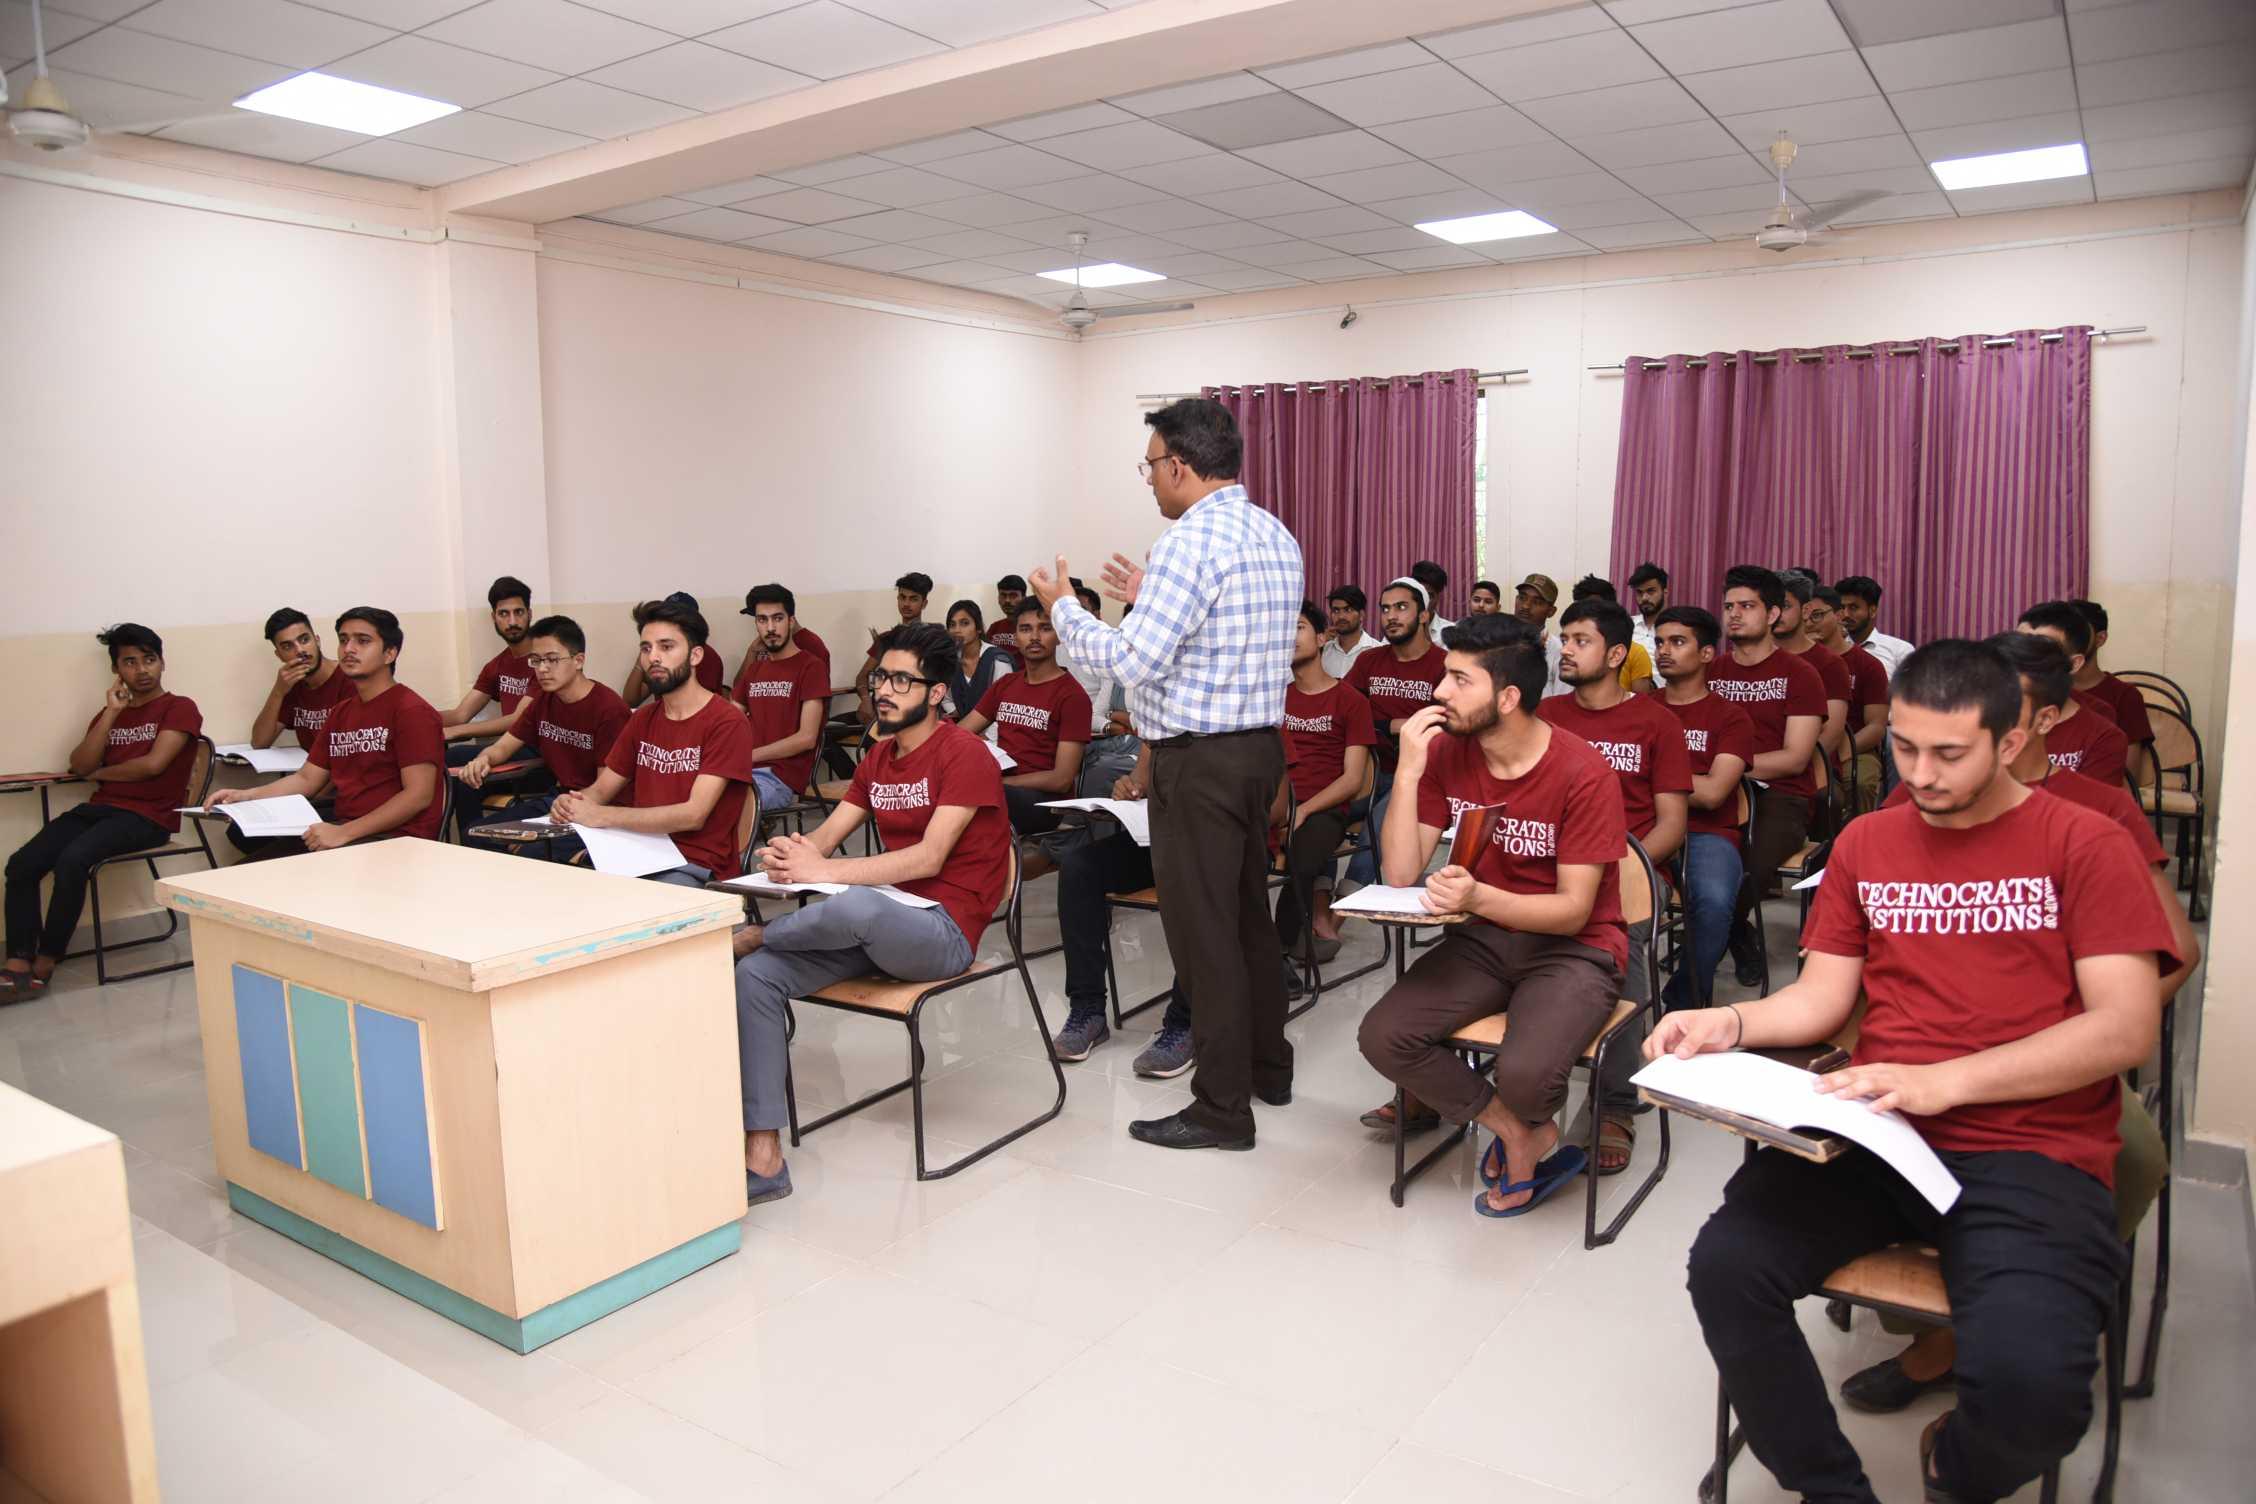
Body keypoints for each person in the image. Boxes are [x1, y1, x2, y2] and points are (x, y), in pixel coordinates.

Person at [1659, 638, 2177, 1504]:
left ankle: (1955, 1470)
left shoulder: (2083, 842)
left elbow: (2125, 1028)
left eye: (1949, 753)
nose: (1921, 774)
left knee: (2036, 1393)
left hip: (2030, 1148)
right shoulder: (1869, 841)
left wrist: (1949, 1080)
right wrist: (1731, 1021)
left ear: (2011, 741)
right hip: (1883, 1132)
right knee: (1728, 1267)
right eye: (1903, 746)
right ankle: (1831, 1489)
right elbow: (1824, 1001)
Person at [1847, 631, 2199, 1416]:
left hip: (2056, 1060)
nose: (1927, 765)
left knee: (2133, 1157)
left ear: (2027, 725)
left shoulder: (2097, 814)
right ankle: (1943, 1321)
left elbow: (2176, 950)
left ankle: (2025, 1309)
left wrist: (2092, 1025)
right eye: (1914, 744)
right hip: (1924, 1049)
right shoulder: (1914, 800)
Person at [1030, 394, 1302, 1152]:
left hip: (1201, 762)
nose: (1148, 480)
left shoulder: (1188, 540)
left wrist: (1064, 614)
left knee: (1203, 933)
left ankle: (1220, 1108)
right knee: (1246, 918)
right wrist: (1150, 602)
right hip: (1255, 754)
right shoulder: (1273, 533)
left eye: (1150, 466)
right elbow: (1218, 637)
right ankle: (1266, 1070)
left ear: (1180, 466)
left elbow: (1130, 661)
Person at [1354, 612, 1628, 1217]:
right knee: (1383, 1036)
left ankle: (1523, 1118)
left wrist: (1478, 898)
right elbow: (1400, 871)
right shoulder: (1449, 753)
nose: (1439, 693)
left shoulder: (1583, 772)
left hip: (1573, 947)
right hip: (1487, 941)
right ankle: (1519, 1132)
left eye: (1458, 680)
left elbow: (1573, 911)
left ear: (1507, 698)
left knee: (1527, 1073)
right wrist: (1408, 769)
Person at [730, 622, 1014, 1204]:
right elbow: (827, 840)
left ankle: (757, 934)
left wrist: (826, 874)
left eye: (902, 680)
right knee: (754, 979)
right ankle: (763, 1153)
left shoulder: (967, 754)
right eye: (882, 676)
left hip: (943, 930)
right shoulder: (879, 756)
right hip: (879, 923)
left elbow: (930, 856)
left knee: (855, 901)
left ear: (936, 692)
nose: (884, 689)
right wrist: (793, 855)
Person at [1540, 596, 1690, 1173]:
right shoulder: (1547, 715)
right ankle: (1458, 1082)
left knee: (1624, 963)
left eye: (1580, 640)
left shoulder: (1656, 722)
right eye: (1564, 639)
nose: (1566, 650)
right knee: (1482, 944)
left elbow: (1672, 824)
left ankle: (1615, 1106)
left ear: (1617, 654)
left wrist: (1616, 869)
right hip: (1549, 871)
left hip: (1630, 871)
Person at [2, 626, 202, 999]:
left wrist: (99, 774)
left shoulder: (180, 707)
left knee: (73, 860)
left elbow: (153, 765)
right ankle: (17, 960)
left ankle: (47, 958)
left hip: (149, 817)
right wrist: (112, 713)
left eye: (149, 659)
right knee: (21, 864)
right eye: (130, 662)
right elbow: (79, 764)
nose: (142, 669)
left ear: (162, 662)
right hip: (101, 809)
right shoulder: (111, 713)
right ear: (117, 670)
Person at [207, 608, 445, 858]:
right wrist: (246, 795)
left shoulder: (411, 710)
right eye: (343, 640)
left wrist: (344, 833)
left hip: (396, 838)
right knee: (251, 871)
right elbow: (307, 779)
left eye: (362, 641)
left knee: (277, 876)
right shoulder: (342, 712)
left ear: (389, 653)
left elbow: (418, 795)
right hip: (350, 830)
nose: (348, 649)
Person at [558, 597, 755, 885]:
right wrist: (572, 804)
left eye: (667, 647)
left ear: (695, 655)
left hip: (695, 865)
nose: (654, 657)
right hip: (640, 851)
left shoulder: (727, 722)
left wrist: (602, 815)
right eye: (646, 648)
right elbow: (601, 789)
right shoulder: (644, 717)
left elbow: (693, 815)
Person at [1046, 740, 1200, 1073]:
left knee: (1198, 880)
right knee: (1079, 868)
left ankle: (1186, 1022)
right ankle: (1087, 1008)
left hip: (1214, 843)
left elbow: (1274, 809)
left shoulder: (1246, 720)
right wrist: (1129, 786)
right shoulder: (1161, 724)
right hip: (1158, 839)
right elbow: (1138, 781)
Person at [1705, 565, 1824, 989]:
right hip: (1714, 792)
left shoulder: (1800, 674)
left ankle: (1732, 933)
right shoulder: (1713, 671)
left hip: (1781, 795)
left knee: (1745, 870)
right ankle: (1734, 933)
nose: (1734, 615)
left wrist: (1730, 765)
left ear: (1773, 614)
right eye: (1728, 607)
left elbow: (1795, 757)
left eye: (1747, 606)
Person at [1650, 606, 1753, 1012]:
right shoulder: (1641, 708)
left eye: (1677, 642)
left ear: (1708, 654)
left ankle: (1681, 1003)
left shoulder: (1730, 717)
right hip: (1645, 824)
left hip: (1706, 833)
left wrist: (1652, 781)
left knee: (1711, 901)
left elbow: (1714, 792)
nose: (1663, 651)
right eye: (1659, 642)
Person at [454, 615, 630, 846]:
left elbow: (604, 791)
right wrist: (483, 759)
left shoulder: (608, 709)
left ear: (579, 660)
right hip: (557, 800)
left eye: (552, 659)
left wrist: (563, 809)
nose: (543, 669)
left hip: (597, 812)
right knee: (476, 834)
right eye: (536, 660)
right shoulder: (543, 700)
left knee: (530, 851)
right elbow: (505, 746)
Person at [1277, 600, 1377, 964]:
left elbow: (1353, 780)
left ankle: (1277, 954)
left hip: (1325, 809)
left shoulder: (1350, 701)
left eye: (1299, 626)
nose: (1288, 636)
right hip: (1276, 805)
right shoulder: (1274, 698)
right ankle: (1276, 948)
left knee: (1302, 857)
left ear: (1322, 637)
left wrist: (1303, 809)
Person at [1342, 578, 1448, 889]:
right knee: (1319, 816)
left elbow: (1442, 727)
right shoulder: (1369, 660)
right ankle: (1320, 903)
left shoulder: (1442, 664)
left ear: (1424, 615)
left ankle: (1339, 909)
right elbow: (1345, 712)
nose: (1391, 616)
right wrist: (1390, 725)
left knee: (1376, 827)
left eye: (1402, 607)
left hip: (1418, 776)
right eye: (1385, 608)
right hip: (1365, 770)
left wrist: (1379, 723)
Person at [958, 599, 1092, 840]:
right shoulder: (1007, 684)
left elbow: (1062, 779)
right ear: (1016, 637)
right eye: (1026, 629)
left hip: (1045, 803)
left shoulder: (1073, 696)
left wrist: (1005, 783)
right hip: (1002, 786)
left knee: (974, 798)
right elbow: (961, 732)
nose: (1035, 637)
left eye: (1045, 628)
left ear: (1059, 636)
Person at [732, 585, 829, 816]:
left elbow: (806, 738)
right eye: (762, 620)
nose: (770, 628)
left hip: (779, 779)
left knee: (722, 805)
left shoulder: (811, 666)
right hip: (742, 771)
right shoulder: (755, 670)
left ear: (791, 621)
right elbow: (730, 719)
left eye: (777, 618)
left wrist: (749, 756)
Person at [2017, 602, 2131, 788]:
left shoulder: (2102, 733)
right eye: (2019, 644)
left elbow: (2092, 810)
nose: (2024, 657)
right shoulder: (1988, 716)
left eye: (2042, 650)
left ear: (2074, 664)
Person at [1806, 585, 1889, 808]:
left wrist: (1839, 752)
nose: (1810, 623)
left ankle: (1857, 839)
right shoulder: (1796, 662)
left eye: (1818, 615)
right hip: (1801, 744)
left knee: (1860, 781)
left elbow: (1876, 726)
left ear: (1838, 615)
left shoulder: (1868, 665)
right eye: (1805, 617)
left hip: (1853, 747)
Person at [439, 576, 537, 758]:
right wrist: (415, 719)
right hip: (507, 747)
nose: (512, 622)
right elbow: (460, 714)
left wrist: (457, 731)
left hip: (538, 752)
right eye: (504, 614)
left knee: (453, 757)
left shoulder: (543, 661)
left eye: (519, 612)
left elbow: (519, 719)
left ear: (529, 614)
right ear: (494, 617)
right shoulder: (496, 665)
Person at [2066, 600, 2157, 780]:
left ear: (2100, 638)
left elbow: (2130, 776)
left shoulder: (2125, 696)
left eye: (2077, 632)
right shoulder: (2045, 693)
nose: (2067, 640)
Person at [1775, 571, 1851, 770]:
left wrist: (1792, 764)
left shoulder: (1830, 664)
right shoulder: (1749, 659)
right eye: (1769, 606)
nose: (1775, 614)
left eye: (1784, 606)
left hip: (1811, 770)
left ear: (1806, 610)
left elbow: (1831, 736)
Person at [248, 608, 352, 750]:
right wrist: (278, 692)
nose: (300, 650)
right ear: (279, 655)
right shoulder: (292, 686)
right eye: (287, 646)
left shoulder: (349, 679)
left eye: (304, 640)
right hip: (306, 770)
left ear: (317, 641)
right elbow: (259, 742)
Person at [622, 591, 728, 705]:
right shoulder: (654, 656)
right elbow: (630, 701)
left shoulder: (708, 655)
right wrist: (647, 651)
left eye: (667, 647)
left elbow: (696, 704)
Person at [856, 571, 934, 723]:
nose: (906, 604)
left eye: (913, 599)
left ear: (924, 603)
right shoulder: (886, 638)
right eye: (902, 598)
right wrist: (865, 701)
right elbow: (862, 677)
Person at [1568, 574, 1657, 691]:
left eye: (1593, 607)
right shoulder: (1569, 651)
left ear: (1611, 608)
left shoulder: (1634, 652)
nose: (1586, 613)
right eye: (1580, 607)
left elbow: (1641, 706)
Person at [940, 599, 1014, 720]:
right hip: (964, 730)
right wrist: (955, 712)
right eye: (952, 625)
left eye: (964, 623)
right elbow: (946, 698)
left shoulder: (998, 660)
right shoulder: (951, 659)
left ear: (978, 628)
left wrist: (988, 735)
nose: (957, 630)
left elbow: (1007, 706)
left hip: (994, 734)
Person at [1834, 575, 1912, 675]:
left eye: (1853, 607)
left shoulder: (1900, 650)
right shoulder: (1832, 649)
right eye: (1842, 607)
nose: (1845, 614)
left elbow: (1910, 689)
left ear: (1873, 611)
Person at [1513, 572, 1569, 698]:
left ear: (1551, 611)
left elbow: (1563, 699)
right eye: (1522, 598)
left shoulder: (1559, 650)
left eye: (1537, 602)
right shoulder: (1499, 640)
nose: (1526, 606)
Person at [1322, 585, 1382, 677]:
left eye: (1348, 610)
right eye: (1336, 610)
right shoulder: (1324, 650)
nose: (1341, 616)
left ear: (1361, 615)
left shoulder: (1377, 651)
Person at [1628, 561, 1669, 662]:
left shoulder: (1675, 627)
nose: (1644, 598)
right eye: (1639, 592)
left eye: (1651, 591)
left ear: (1665, 593)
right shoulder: (1627, 625)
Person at [988, 574, 1027, 667]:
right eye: (1003, 595)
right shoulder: (994, 627)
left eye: (1013, 596)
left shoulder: (1030, 627)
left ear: (1024, 598)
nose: (1007, 600)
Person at [1410, 560, 1454, 633]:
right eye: (1419, 595)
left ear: (1438, 597)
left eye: (1429, 596)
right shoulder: (1399, 630)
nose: (1423, 602)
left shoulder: (1451, 633)